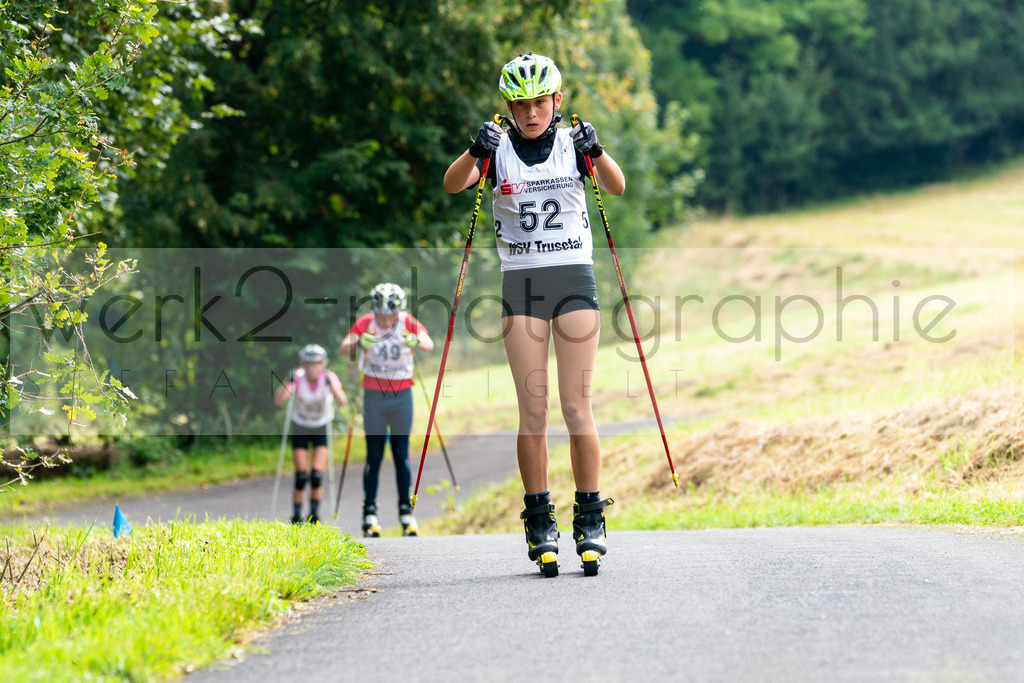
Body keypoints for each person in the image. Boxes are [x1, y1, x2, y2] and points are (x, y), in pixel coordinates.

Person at [443, 52, 624, 576]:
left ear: (557, 101)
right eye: (520, 104)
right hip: (520, 283)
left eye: (540, 102)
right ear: (508, 106)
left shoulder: (574, 142)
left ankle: (590, 516)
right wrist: (475, 149)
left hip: (573, 280)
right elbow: (453, 184)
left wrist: (599, 149)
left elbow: (615, 187)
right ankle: (539, 519)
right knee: (534, 411)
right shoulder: (496, 148)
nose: (530, 113)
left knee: (576, 406)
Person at [339, 283, 434, 537]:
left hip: (402, 395)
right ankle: (369, 513)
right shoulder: (367, 322)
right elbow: (343, 347)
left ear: (397, 310)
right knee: (374, 455)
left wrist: (416, 340)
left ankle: (406, 513)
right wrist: (359, 341)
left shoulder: (406, 321)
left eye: (388, 314)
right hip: (374, 395)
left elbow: (428, 343)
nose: (384, 319)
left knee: (401, 454)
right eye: (380, 314)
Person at [274, 343, 348, 524]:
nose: (312, 368)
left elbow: (342, 402)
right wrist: (289, 382)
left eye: (316, 364)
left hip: (320, 427)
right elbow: (279, 400)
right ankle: (297, 517)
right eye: (308, 364)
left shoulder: (329, 377)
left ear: (322, 364)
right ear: (303, 364)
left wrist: (333, 386)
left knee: (316, 475)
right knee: (301, 475)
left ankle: (314, 516)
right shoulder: (297, 377)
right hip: (301, 426)